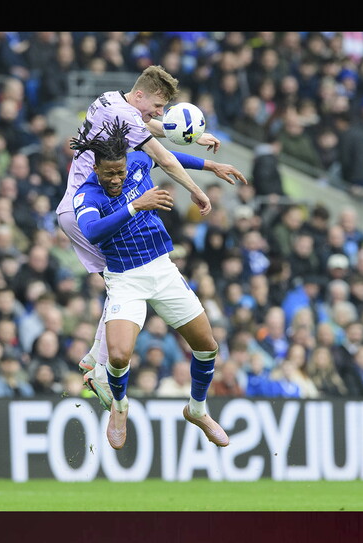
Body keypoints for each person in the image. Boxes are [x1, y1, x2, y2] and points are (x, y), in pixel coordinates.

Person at [55, 65, 247, 412]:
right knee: (118, 279)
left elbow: (146, 129)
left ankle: (92, 361)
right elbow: (163, 158)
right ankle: (98, 369)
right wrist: (198, 191)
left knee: (114, 280)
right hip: (87, 208)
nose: (159, 113)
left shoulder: (112, 101)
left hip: (82, 206)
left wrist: (191, 139)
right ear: (140, 95)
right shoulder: (127, 118)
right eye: (158, 106)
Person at [70, 119, 230, 450]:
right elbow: (93, 232)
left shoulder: (139, 162)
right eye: (108, 173)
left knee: (206, 346)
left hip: (162, 270)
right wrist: (135, 205)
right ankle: (120, 405)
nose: (116, 179)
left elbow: (168, 157)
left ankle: (197, 409)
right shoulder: (87, 195)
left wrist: (209, 165)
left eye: (120, 172)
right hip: (125, 279)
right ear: (95, 167)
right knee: (117, 355)